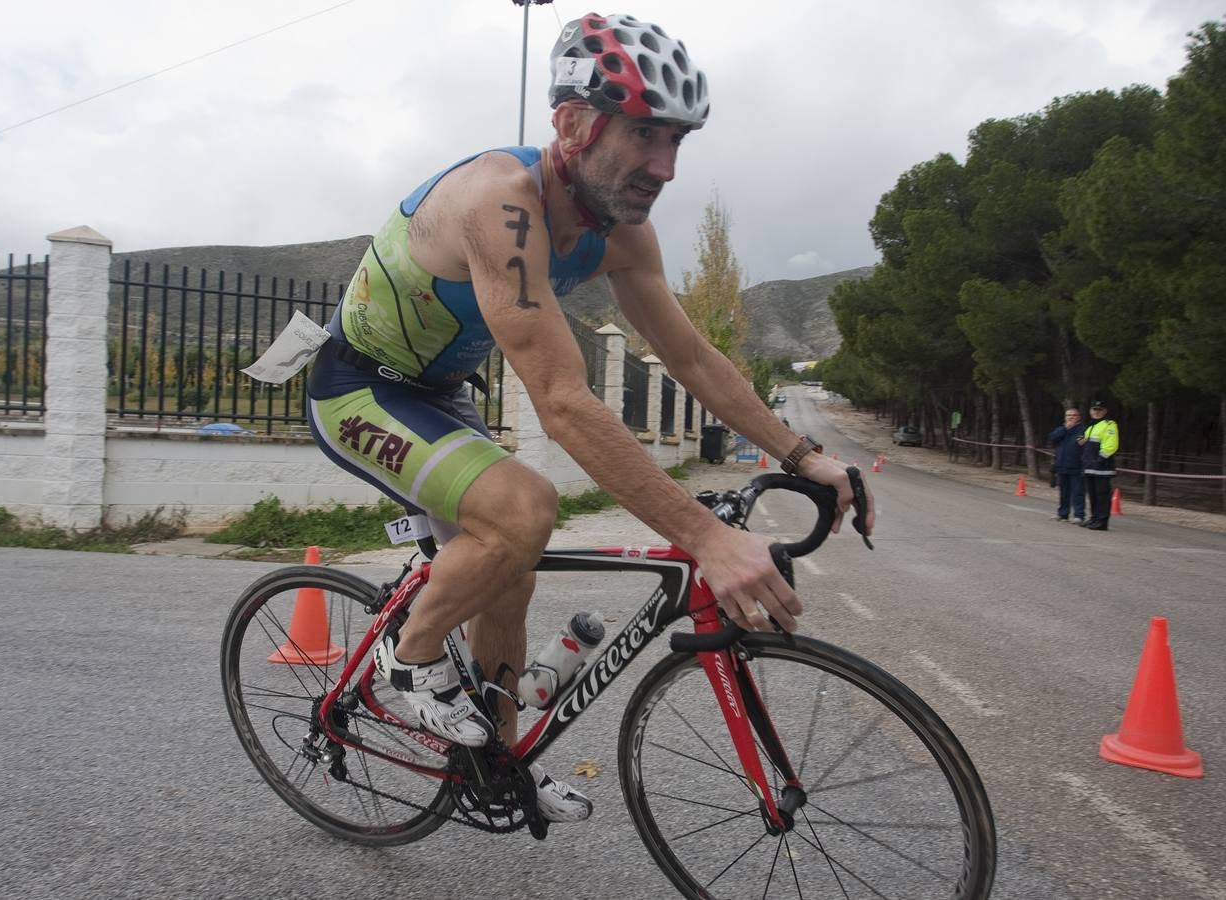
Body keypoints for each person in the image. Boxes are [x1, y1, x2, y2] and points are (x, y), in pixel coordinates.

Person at [304, 11, 873, 823]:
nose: (666, 167)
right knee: (524, 508)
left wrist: (801, 452)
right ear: (573, 124)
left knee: (513, 564)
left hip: (436, 395)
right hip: (360, 387)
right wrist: (707, 538)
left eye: (679, 141)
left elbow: (694, 359)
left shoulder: (621, 232)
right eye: (646, 135)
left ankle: (492, 761)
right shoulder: (498, 204)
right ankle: (411, 656)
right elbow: (563, 399)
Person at [1078, 400, 1119, 530]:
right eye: (1094, 409)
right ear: (1090, 411)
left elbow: (1111, 445)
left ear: (1105, 411)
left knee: (1102, 495)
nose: (1096, 412)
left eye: (1099, 410)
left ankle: (1102, 522)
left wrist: (1099, 459)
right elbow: (1084, 443)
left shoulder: (1109, 424)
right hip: (1090, 467)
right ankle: (1094, 518)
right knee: (1093, 495)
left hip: (1102, 467)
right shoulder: (1091, 427)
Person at [1048, 407, 1085, 523]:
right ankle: (1063, 514)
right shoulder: (1061, 429)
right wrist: (1065, 429)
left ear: (1079, 417)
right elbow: (1052, 438)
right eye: (1068, 415)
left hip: (1077, 466)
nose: (1070, 417)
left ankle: (1079, 515)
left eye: (1073, 415)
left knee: (1077, 492)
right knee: (1064, 492)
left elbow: (1085, 446)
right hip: (1062, 465)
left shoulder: (1083, 430)